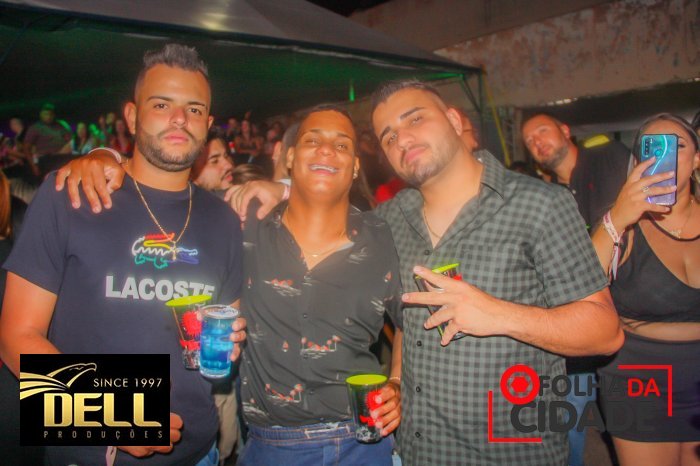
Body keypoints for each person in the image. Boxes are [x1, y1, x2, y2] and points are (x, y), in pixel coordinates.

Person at [221, 80, 623, 465]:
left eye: (415, 119)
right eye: (388, 136)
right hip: (416, 453)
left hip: (511, 453)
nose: (402, 138)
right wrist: (283, 188)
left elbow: (605, 331)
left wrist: (499, 314)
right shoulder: (387, 223)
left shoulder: (540, 204)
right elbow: (405, 317)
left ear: (454, 120)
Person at [52, 104, 404, 465]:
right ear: (289, 156)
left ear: (356, 165)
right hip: (269, 447)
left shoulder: (383, 235)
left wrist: (396, 382)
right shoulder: (240, 223)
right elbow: (165, 194)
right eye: (313, 141)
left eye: (342, 145)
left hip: (362, 443)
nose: (327, 150)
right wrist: (105, 157)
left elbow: (411, 319)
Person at [0, 43, 246, 466]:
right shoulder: (70, 193)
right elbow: (14, 338)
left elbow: (221, 340)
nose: (179, 119)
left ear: (207, 125)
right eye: (161, 104)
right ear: (132, 117)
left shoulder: (222, 219)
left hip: (199, 454)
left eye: (193, 109)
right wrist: (118, 414)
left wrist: (229, 341)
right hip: (89, 454)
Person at [521, 113, 630, 466]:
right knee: (567, 425)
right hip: (577, 329)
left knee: (634, 428)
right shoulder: (547, 197)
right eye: (529, 141)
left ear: (565, 130)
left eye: (542, 131)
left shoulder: (607, 160)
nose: (537, 142)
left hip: (630, 325)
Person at [591, 113, 700, 466]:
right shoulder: (624, 224)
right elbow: (580, 286)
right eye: (652, 147)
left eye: (675, 146)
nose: (663, 156)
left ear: (697, 159)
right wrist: (617, 218)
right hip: (639, 378)